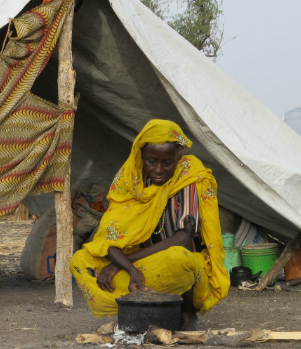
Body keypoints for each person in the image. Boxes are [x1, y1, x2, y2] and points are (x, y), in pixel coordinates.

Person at [69, 119, 229, 331]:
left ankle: (186, 309)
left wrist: (120, 265)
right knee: (80, 261)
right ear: (140, 157)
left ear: (177, 159)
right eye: (152, 161)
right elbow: (110, 242)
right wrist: (130, 269)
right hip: (141, 267)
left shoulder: (187, 177)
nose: (159, 169)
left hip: (179, 266)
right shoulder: (130, 183)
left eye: (167, 163)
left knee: (179, 257)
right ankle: (135, 305)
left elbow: (183, 238)